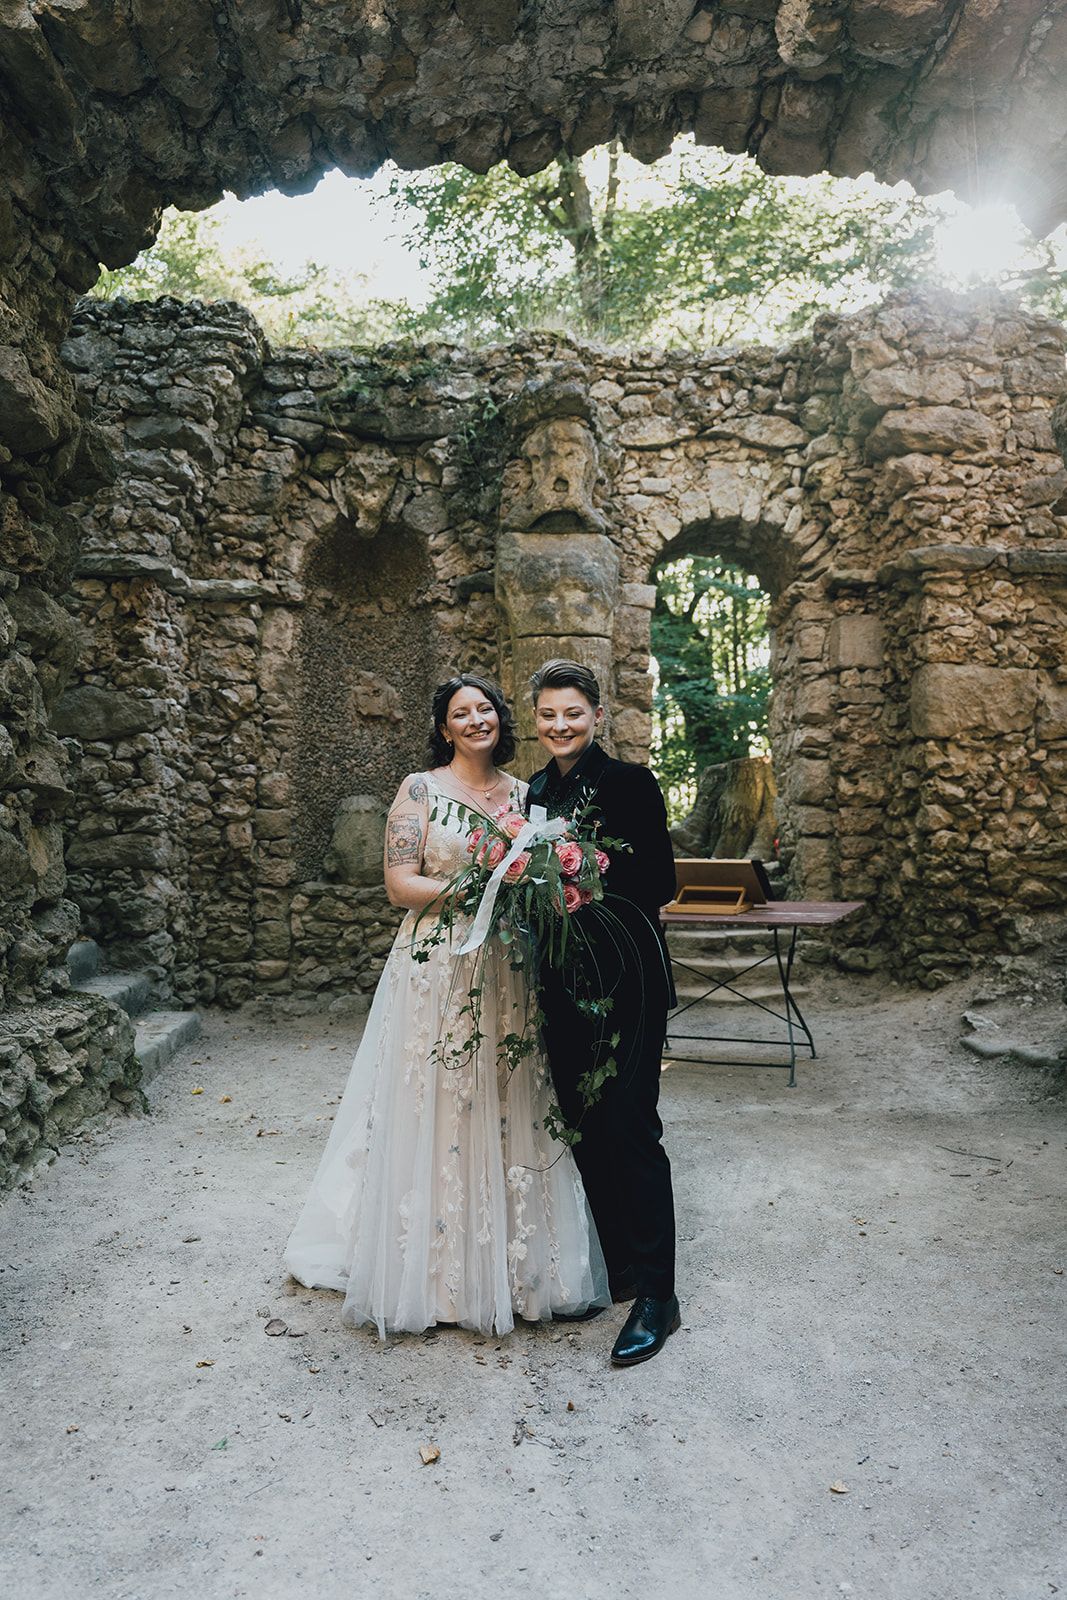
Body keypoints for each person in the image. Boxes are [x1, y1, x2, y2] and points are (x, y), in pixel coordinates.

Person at [284, 673, 608, 1337]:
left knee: (503, 1091)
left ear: (499, 719)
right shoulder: (419, 789)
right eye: (461, 712)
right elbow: (399, 883)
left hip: (506, 966)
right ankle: (429, 1271)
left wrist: (530, 888)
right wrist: (480, 886)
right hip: (435, 963)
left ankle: (516, 1269)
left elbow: (547, 878)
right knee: (435, 1095)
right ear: (443, 727)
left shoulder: (527, 793)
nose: (475, 720)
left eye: (484, 709)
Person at [526, 659, 680, 1367]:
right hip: (560, 980)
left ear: (596, 715)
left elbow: (659, 880)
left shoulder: (628, 783)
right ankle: (616, 1264)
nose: (561, 725)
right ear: (536, 719)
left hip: (629, 978)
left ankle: (657, 1295)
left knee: (628, 1123)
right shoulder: (530, 791)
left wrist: (582, 871)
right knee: (582, 1124)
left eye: (573, 713)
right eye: (548, 715)